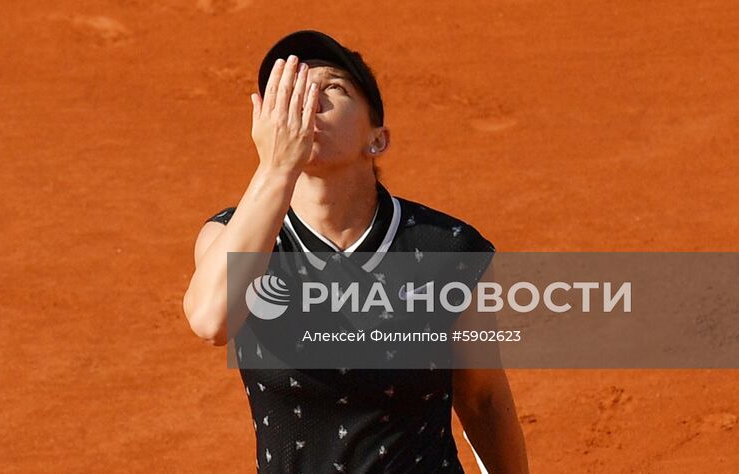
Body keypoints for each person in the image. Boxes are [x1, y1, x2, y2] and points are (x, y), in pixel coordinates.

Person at [182, 29, 529, 473]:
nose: (308, 102)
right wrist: (275, 167)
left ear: (377, 138)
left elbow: (481, 396)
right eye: (291, 92)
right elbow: (213, 320)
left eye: (331, 88)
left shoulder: (444, 248)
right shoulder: (230, 235)